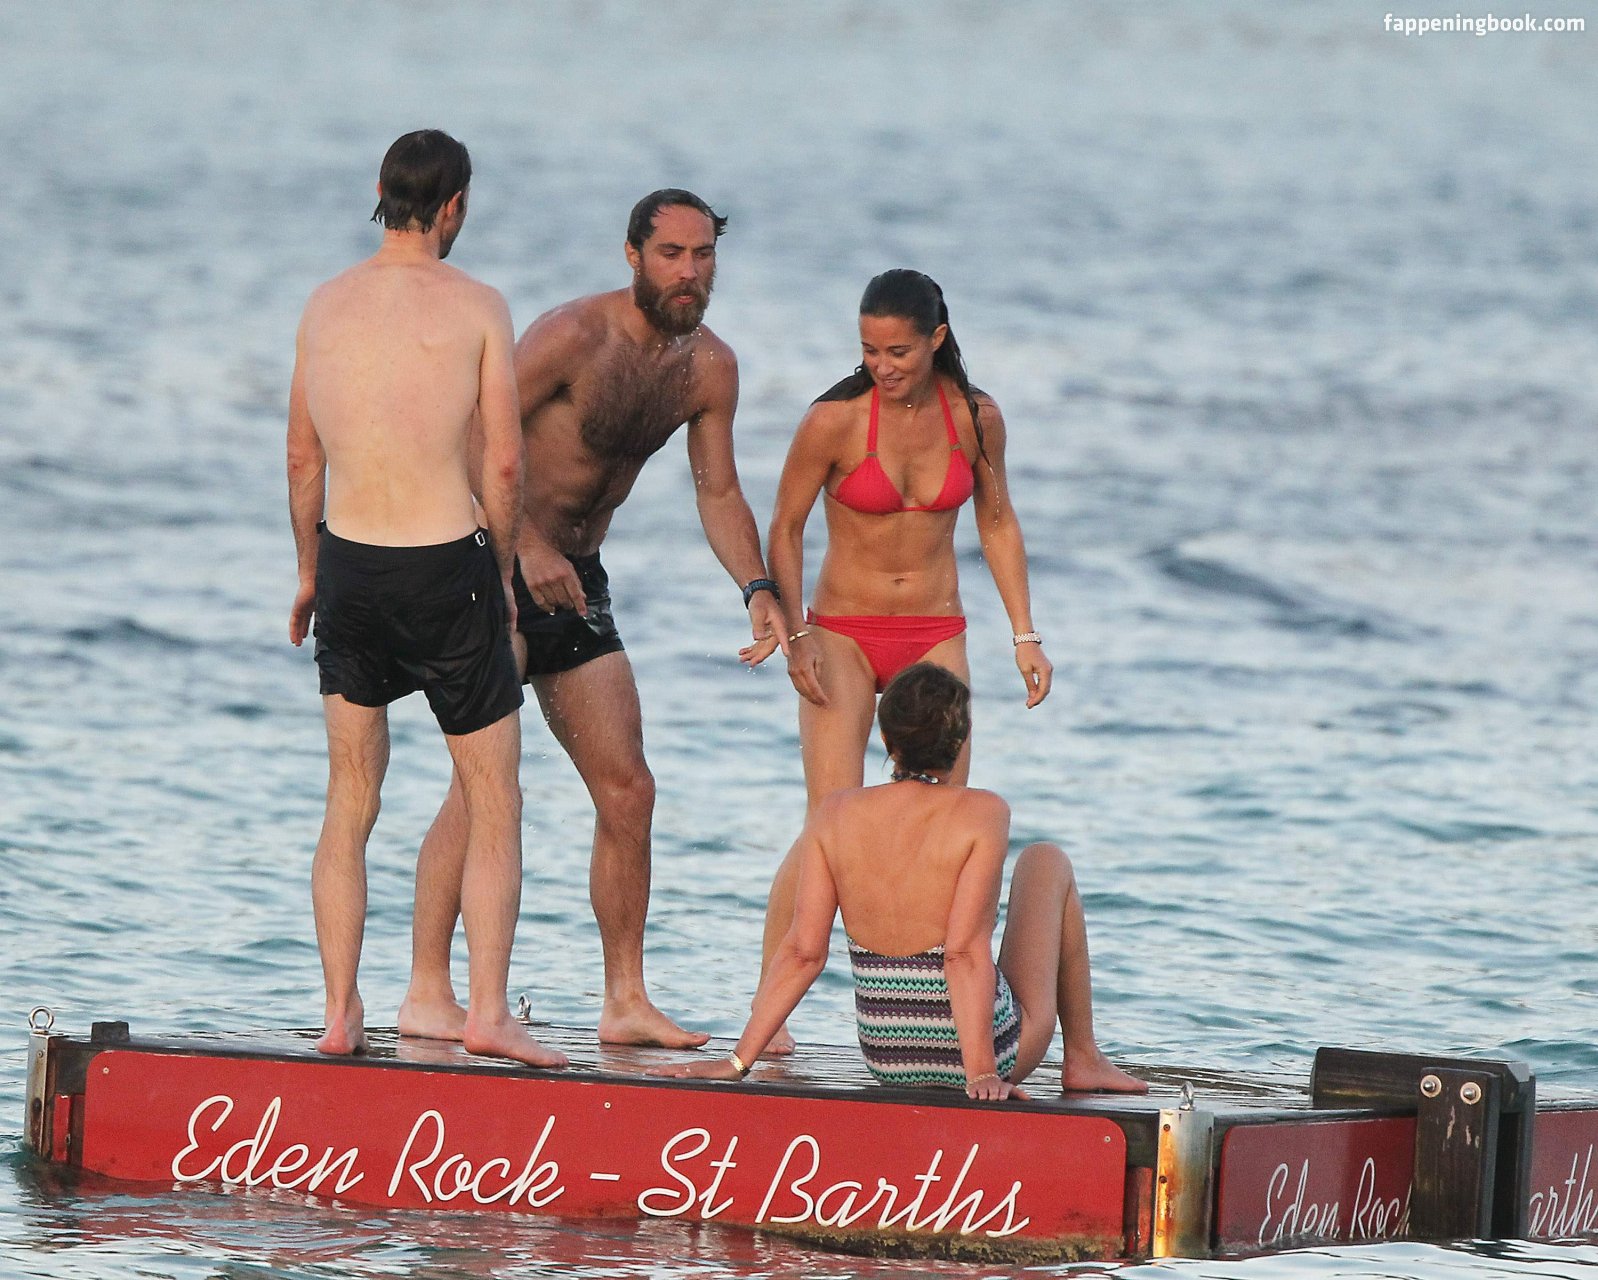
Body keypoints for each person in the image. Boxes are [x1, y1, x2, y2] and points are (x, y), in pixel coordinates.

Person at [398, 189, 787, 1050]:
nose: (689, 272)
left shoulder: (709, 368)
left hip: (577, 582)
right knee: (481, 784)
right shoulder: (573, 335)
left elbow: (718, 491)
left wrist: (757, 587)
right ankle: (427, 990)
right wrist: (528, 543)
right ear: (633, 255)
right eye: (671, 254)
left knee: (629, 788)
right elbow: (467, 434)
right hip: (490, 564)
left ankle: (625, 1000)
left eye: (704, 256)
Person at [286, 130, 565, 1068]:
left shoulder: (324, 304)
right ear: (454, 207)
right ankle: (486, 1012)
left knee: (349, 798)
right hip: (446, 565)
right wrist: (503, 577)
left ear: (381, 190)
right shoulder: (479, 304)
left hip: (351, 565)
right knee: (493, 795)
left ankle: (339, 1014)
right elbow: (505, 460)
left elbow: (302, 456)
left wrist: (309, 572)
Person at [757, 269, 1054, 1050]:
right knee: (827, 822)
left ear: (936, 340)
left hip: (935, 629)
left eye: (897, 352)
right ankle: (770, 1015)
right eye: (869, 350)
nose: (881, 366)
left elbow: (997, 521)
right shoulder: (833, 421)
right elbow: (784, 526)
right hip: (843, 631)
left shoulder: (977, 418)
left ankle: (945, 1022)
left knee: (946, 826)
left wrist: (1024, 634)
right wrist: (795, 635)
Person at [654, 664, 1145, 1098]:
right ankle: (1083, 1056)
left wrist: (738, 1061)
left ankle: (1071, 1058)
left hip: (888, 1057)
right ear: (959, 740)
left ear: (887, 741)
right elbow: (962, 953)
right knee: (1045, 860)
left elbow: (803, 952)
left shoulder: (836, 812)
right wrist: (980, 1073)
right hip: (988, 1052)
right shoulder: (982, 812)